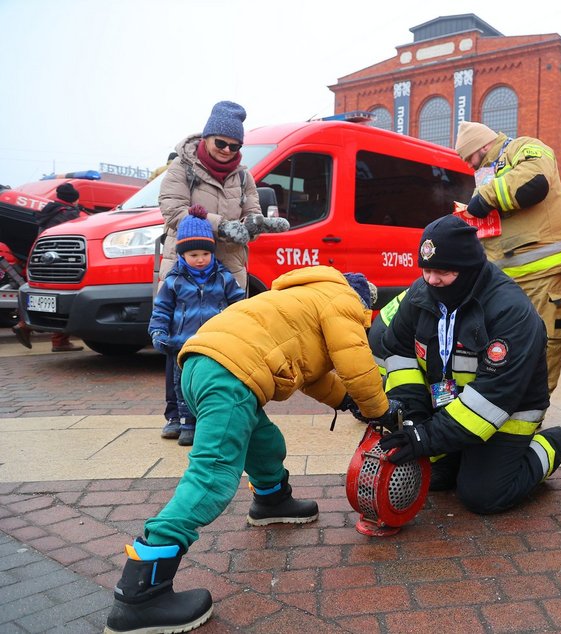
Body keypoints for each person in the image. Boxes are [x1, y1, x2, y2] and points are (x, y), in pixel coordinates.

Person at [105, 266, 402, 633]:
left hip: (201, 365)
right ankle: (140, 595)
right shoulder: (343, 301)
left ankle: (271, 500)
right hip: (230, 376)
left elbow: (309, 372)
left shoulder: (302, 297)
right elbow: (355, 363)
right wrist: (380, 410)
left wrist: (345, 401)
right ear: (364, 302)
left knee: (264, 442)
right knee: (212, 479)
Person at [373, 215, 561, 514]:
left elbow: (492, 400)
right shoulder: (420, 294)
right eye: (426, 270)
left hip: (507, 411)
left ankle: (550, 444)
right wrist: (412, 417)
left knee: (483, 496)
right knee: (437, 477)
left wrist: (425, 437)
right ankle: (459, 449)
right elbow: (399, 353)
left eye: (442, 271)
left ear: (469, 269)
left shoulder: (510, 311)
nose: (431, 280)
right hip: (453, 405)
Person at [156, 100, 287, 438]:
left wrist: (256, 224)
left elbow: (253, 208)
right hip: (187, 263)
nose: (229, 150)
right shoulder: (181, 167)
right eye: (222, 143)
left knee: (226, 342)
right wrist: (222, 226)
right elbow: (172, 210)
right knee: (180, 343)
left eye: (236, 146)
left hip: (228, 267)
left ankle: (213, 412)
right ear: (208, 138)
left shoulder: (243, 175)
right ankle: (176, 415)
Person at [454, 121, 561, 394]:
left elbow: (535, 180)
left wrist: (486, 197)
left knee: (543, 348)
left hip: (547, 278)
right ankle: (511, 411)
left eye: (469, 157)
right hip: (512, 282)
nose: (469, 165)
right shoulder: (486, 174)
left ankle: (530, 418)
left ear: (483, 145)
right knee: (508, 348)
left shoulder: (524, 147)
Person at [148, 205, 245, 445]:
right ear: (181, 255)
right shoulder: (174, 281)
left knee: (210, 382)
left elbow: (239, 304)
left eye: (205, 253)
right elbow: (161, 309)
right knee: (181, 383)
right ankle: (182, 421)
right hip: (182, 343)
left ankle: (204, 421)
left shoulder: (223, 277)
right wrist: (158, 331)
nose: (200, 259)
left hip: (215, 342)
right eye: (193, 255)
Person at [11, 182, 84, 352]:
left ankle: (25, 325)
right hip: (62, 262)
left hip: (42, 260)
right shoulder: (70, 214)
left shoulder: (49, 211)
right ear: (73, 198)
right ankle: (59, 341)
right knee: (63, 298)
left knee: (45, 297)